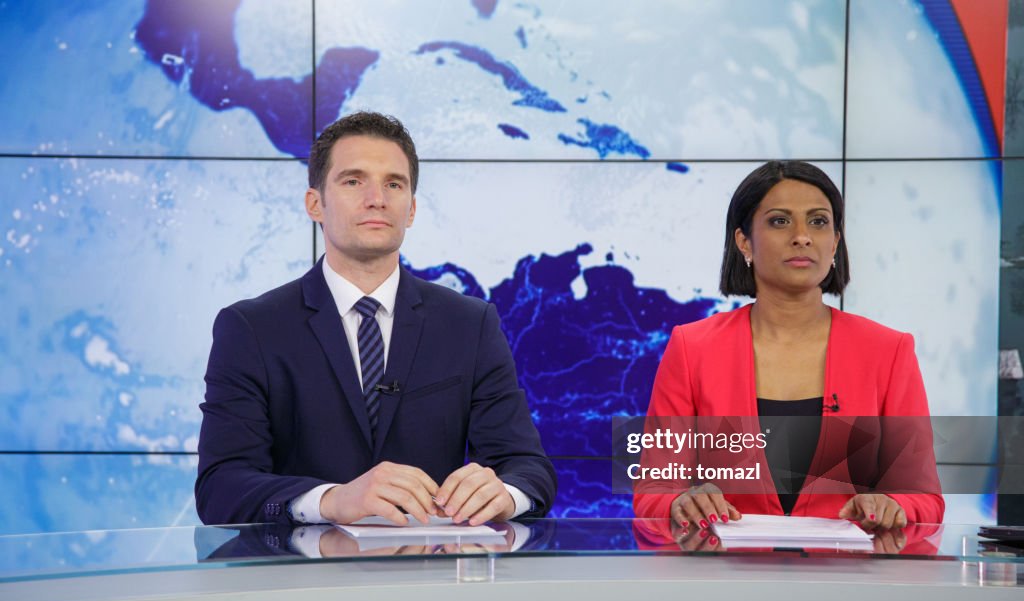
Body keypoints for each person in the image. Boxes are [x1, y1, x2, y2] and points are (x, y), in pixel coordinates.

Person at [196, 112, 556, 529]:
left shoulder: (469, 324)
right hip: (300, 583)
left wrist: (504, 494)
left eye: (394, 184)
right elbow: (220, 488)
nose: (377, 199)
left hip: (430, 581)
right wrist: (330, 500)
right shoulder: (251, 329)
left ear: (412, 209)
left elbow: (529, 468)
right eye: (353, 181)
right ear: (315, 203)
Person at [632, 161, 943, 541]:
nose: (802, 236)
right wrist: (679, 503)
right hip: (721, 582)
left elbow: (924, 498)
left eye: (818, 222)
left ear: (835, 241)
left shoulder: (889, 351)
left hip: (852, 585)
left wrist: (896, 507)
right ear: (744, 241)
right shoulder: (691, 347)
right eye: (780, 221)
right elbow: (653, 493)